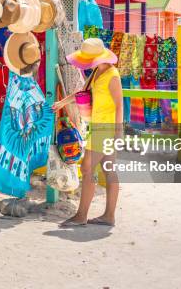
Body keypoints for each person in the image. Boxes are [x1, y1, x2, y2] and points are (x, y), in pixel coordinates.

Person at [53, 38, 123, 227]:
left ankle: (81, 215)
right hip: (99, 127)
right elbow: (81, 93)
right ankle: (108, 216)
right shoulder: (96, 72)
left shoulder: (112, 76)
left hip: (105, 128)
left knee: (87, 168)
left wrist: (118, 132)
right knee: (108, 170)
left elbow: (119, 105)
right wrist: (62, 103)